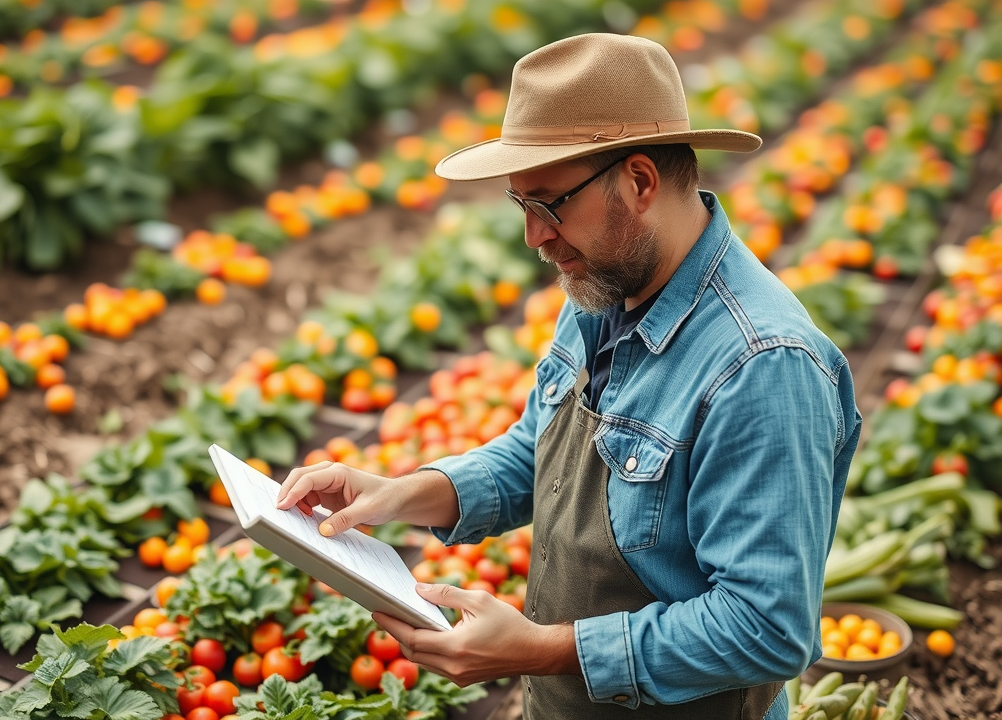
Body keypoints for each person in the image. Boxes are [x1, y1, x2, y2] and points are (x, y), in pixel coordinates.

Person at [277, 33, 861, 720]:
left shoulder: (763, 366)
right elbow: (542, 450)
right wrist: (404, 494)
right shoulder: (606, 284)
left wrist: (546, 650)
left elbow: (767, 628)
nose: (535, 237)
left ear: (640, 182)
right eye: (521, 205)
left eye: (549, 204)